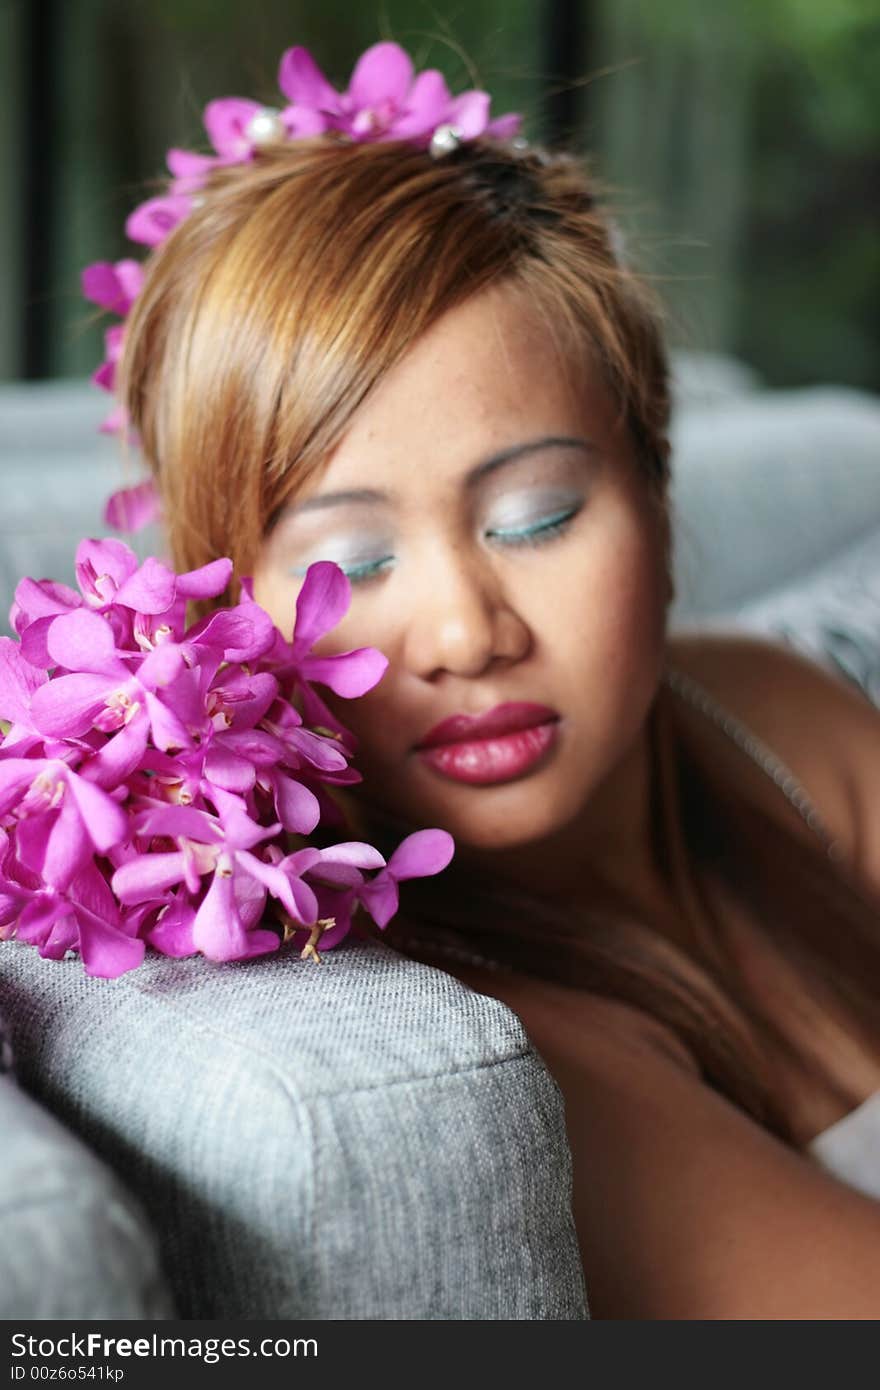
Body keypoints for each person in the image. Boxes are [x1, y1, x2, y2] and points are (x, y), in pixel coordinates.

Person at [103, 40, 880, 1317]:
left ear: (657, 489)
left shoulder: (769, 713)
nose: (464, 632)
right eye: (350, 559)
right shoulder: (520, 1060)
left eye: (531, 517)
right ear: (225, 617)